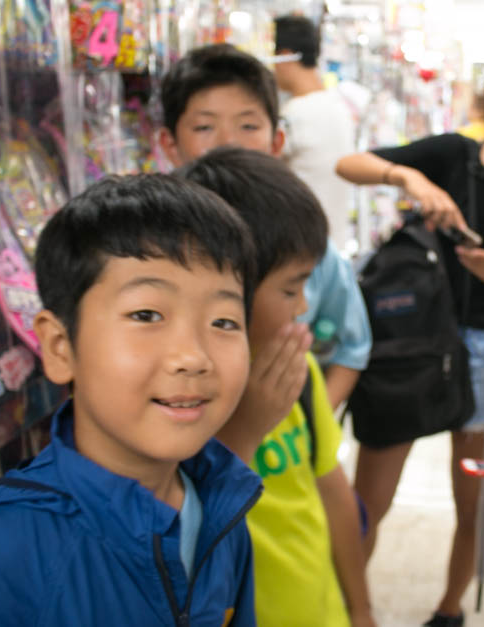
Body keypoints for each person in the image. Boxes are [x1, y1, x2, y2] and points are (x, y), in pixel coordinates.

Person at [0, 174, 262, 625]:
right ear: (59, 347)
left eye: (224, 321)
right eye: (146, 314)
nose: (193, 356)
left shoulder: (222, 507)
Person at [336, 38, 484, 626]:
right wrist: (408, 179)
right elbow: (351, 164)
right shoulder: (453, 156)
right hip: (411, 347)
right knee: (369, 502)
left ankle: (449, 612)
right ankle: (347, 609)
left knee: (473, 505)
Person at [177, 146, 375, 627]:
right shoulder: (178, 404)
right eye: (291, 288)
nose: (303, 307)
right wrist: (245, 432)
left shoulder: (299, 373)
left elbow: (332, 493)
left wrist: (360, 609)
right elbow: (184, 551)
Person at [159, 43, 371, 411]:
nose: (228, 142)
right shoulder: (154, 246)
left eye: (248, 125)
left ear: (277, 142)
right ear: (170, 145)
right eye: (205, 126)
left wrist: (308, 422)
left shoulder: (308, 249)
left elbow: (353, 346)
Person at [274, 14, 356, 253]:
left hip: (303, 251)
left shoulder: (294, 115)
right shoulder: (338, 107)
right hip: (334, 247)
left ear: (283, 56)